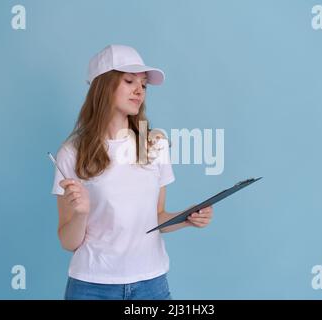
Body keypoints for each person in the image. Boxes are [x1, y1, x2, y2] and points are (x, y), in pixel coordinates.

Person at [51, 44, 214, 300]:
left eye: (144, 85)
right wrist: (81, 214)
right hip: (92, 287)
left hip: (151, 285)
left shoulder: (154, 145)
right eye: (129, 81)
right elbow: (68, 241)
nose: (139, 90)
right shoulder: (71, 153)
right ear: (103, 87)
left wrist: (187, 217)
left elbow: (156, 217)